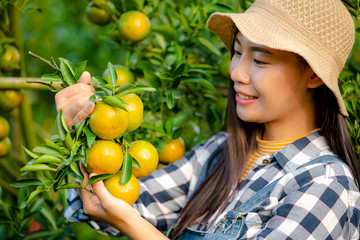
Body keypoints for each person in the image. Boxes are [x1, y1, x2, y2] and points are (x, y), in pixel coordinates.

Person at [57, 0, 360, 239]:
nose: (237, 73)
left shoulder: (326, 185)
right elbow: (106, 206)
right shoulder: (219, 153)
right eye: (237, 53)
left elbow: (125, 216)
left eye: (259, 60)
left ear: (314, 75)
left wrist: (131, 224)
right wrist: (83, 133)